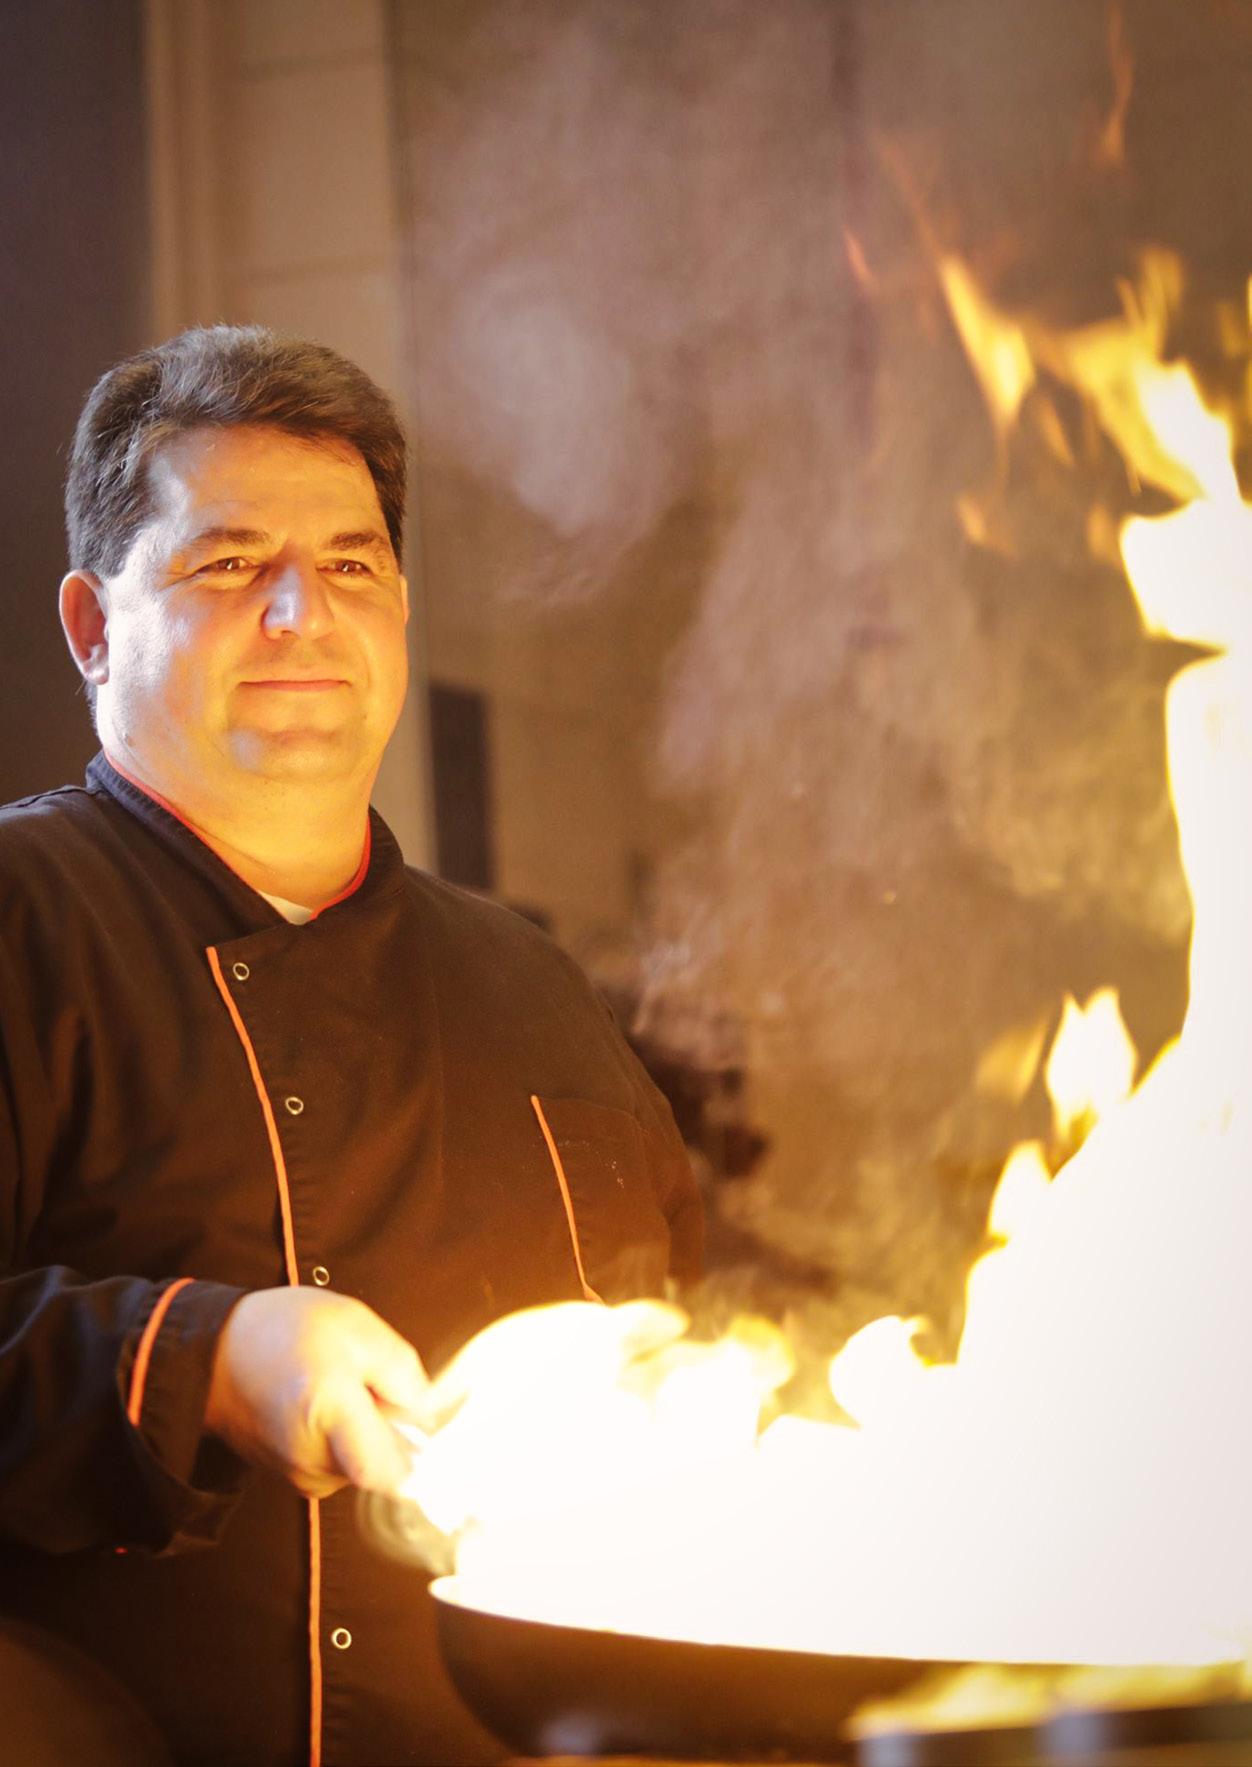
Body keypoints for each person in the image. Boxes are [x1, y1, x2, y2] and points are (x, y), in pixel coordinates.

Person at [0, 326, 702, 1766]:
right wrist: (203, 1358)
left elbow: (683, 1355)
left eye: (352, 564)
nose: (299, 613)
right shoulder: (21, 918)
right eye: (226, 563)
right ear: (91, 627)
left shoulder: (532, 987)